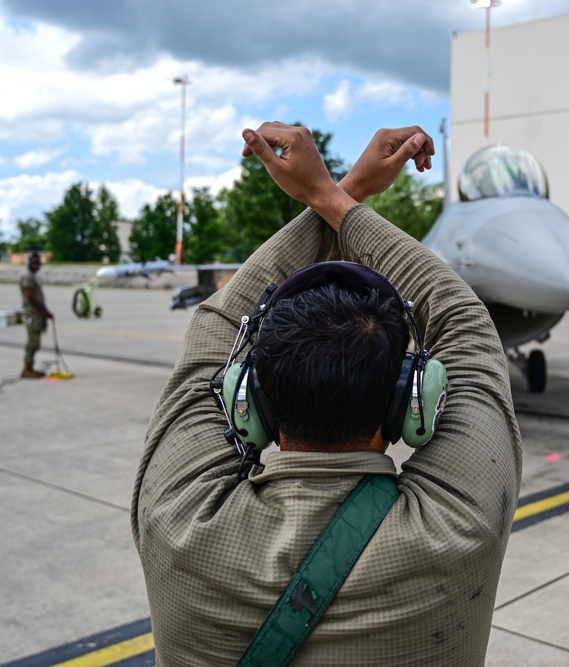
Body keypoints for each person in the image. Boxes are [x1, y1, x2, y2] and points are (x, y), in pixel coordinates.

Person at [130, 123, 522, 666]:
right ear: (408, 399)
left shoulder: (176, 518)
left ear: (253, 400)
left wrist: (339, 191)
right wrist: (335, 198)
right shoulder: (460, 524)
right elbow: (465, 323)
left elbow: (216, 328)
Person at [19, 251, 54, 378]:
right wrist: (45, 310)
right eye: (34, 263)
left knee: (36, 342)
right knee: (33, 342)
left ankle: (30, 368)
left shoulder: (33, 276)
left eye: (38, 263)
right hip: (32, 314)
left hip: (37, 314)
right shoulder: (28, 277)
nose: (37, 265)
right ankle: (27, 369)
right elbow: (30, 295)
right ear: (29, 263)